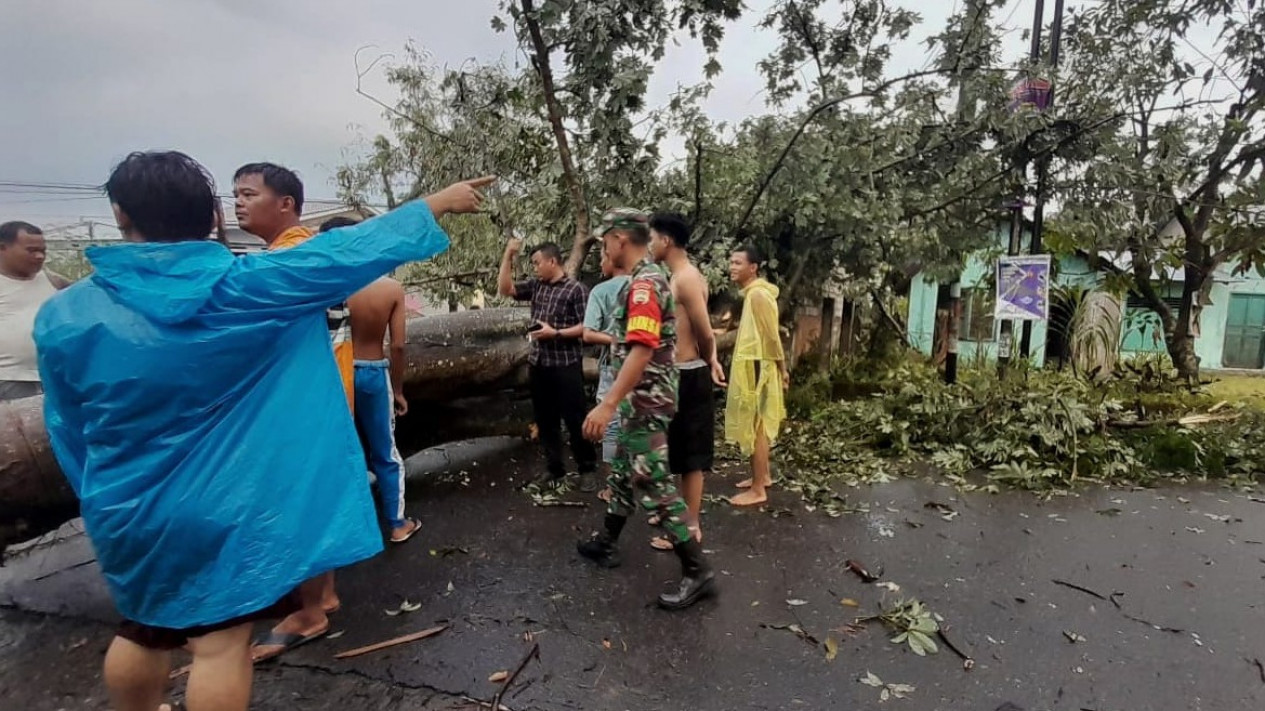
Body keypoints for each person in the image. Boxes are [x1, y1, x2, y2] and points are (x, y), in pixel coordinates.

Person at [34, 149, 491, 711]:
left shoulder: (64, 314)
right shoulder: (251, 285)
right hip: (227, 506)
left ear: (120, 214)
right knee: (220, 646)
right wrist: (435, 203)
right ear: (212, 219)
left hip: (126, 507)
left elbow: (67, 425)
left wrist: (99, 495)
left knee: (142, 629)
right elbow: (343, 252)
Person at [578, 208, 715, 611]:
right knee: (622, 471)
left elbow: (642, 348)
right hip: (642, 395)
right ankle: (607, 542)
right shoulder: (643, 281)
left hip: (646, 398)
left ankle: (696, 569)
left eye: (604, 242)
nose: (603, 248)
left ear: (621, 239)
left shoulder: (645, 286)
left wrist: (607, 404)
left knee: (654, 481)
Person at [320, 216, 420, 545]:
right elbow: (400, 345)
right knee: (385, 452)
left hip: (333, 372)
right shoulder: (390, 288)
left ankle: (342, 531)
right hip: (374, 372)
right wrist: (399, 389)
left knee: (338, 450)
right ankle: (397, 524)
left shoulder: (326, 285)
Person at [647, 212, 725, 550]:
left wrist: (711, 360)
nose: (648, 245)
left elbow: (705, 332)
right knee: (673, 448)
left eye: (651, 238)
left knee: (691, 456)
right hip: (675, 373)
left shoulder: (687, 278)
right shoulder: (676, 277)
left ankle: (689, 527)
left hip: (689, 373)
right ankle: (676, 513)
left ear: (666, 240)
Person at [497, 238, 597, 486]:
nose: (535, 268)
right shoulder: (537, 286)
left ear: (553, 261)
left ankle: (587, 469)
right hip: (539, 363)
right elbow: (505, 288)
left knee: (575, 418)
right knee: (545, 419)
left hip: (566, 364)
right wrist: (508, 255)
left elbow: (587, 327)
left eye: (537, 263)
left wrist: (556, 333)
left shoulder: (576, 290)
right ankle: (555, 468)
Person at [724, 244, 788, 507]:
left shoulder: (758, 296)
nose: (732, 267)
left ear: (753, 268)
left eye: (738, 263)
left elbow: (772, 338)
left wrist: (783, 370)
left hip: (759, 367)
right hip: (756, 364)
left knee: (757, 425)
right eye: (731, 262)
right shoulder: (753, 294)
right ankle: (762, 477)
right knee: (754, 422)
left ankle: (759, 488)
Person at [0, 221, 68, 400]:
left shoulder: (53, 281)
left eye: (43, 251)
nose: (39, 256)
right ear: (3, 248)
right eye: (31, 250)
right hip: (8, 378)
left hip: (52, 375)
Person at [582, 250, 630, 494]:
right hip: (644, 365)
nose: (601, 263)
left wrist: (615, 340)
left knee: (611, 427)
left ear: (613, 259)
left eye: (602, 257)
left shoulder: (601, 291)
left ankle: (614, 489)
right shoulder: (647, 286)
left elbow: (588, 333)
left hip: (613, 366)